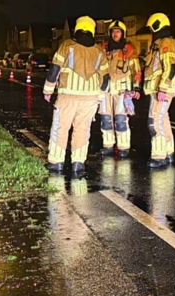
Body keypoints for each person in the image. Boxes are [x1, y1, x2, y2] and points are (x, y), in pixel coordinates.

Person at [43, 16, 110, 178]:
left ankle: (56, 162)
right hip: (90, 97)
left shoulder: (67, 45)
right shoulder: (99, 50)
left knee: (60, 127)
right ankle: (78, 163)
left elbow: (54, 70)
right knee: (83, 129)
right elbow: (106, 78)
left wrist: (48, 90)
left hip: (68, 95)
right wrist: (100, 97)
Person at [142, 13, 175, 169]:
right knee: (163, 119)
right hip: (157, 88)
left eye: (152, 28)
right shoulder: (159, 43)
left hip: (162, 89)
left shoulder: (166, 42)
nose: (151, 31)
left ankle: (159, 156)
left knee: (154, 121)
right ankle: (168, 151)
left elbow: (170, 67)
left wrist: (163, 88)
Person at [99, 20, 142, 158]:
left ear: (122, 33)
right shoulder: (104, 48)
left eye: (118, 31)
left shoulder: (128, 49)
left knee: (121, 119)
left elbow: (136, 69)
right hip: (106, 90)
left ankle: (123, 147)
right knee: (105, 119)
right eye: (113, 31)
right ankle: (108, 145)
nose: (115, 34)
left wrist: (136, 88)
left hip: (122, 90)